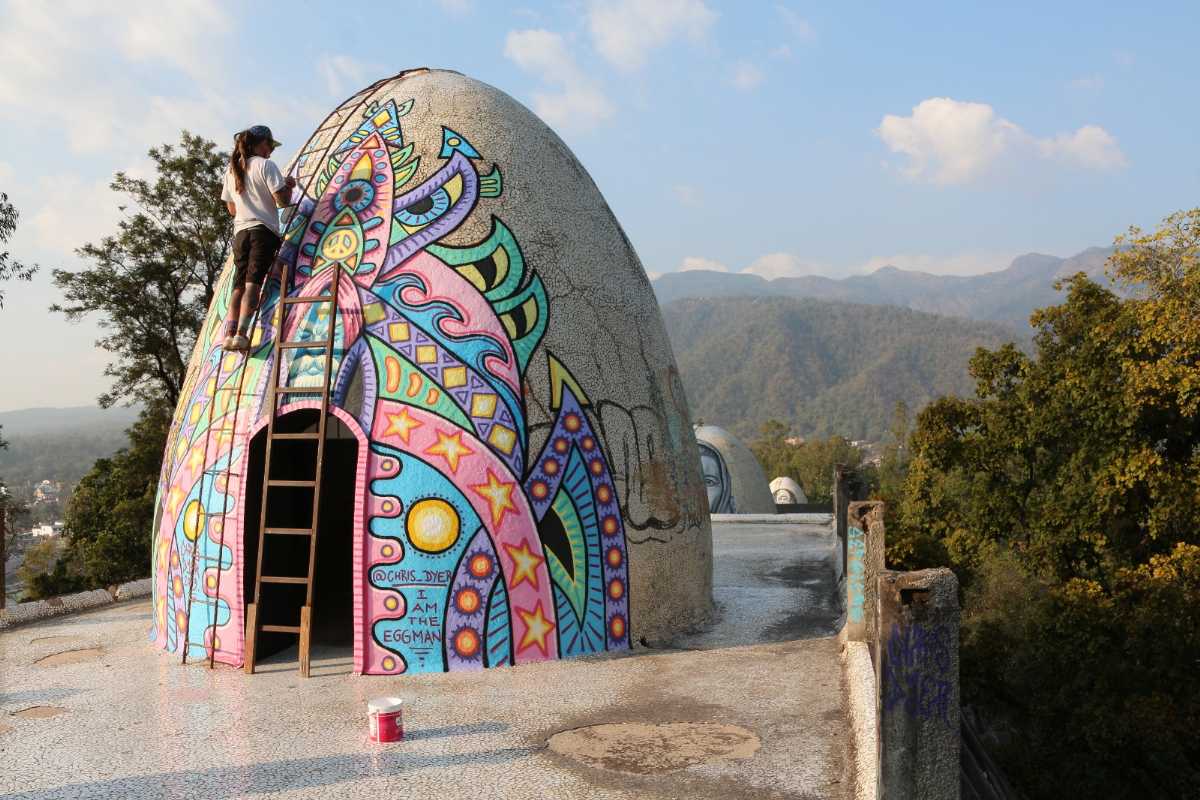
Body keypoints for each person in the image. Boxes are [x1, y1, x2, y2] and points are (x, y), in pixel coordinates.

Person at [220, 125, 296, 350]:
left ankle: (229, 335)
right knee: (253, 285)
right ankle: (242, 334)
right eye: (269, 145)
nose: (270, 151)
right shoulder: (267, 166)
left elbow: (232, 210)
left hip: (240, 233)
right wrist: (288, 186)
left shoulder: (232, 171)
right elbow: (282, 201)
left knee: (238, 286)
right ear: (258, 144)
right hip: (262, 232)